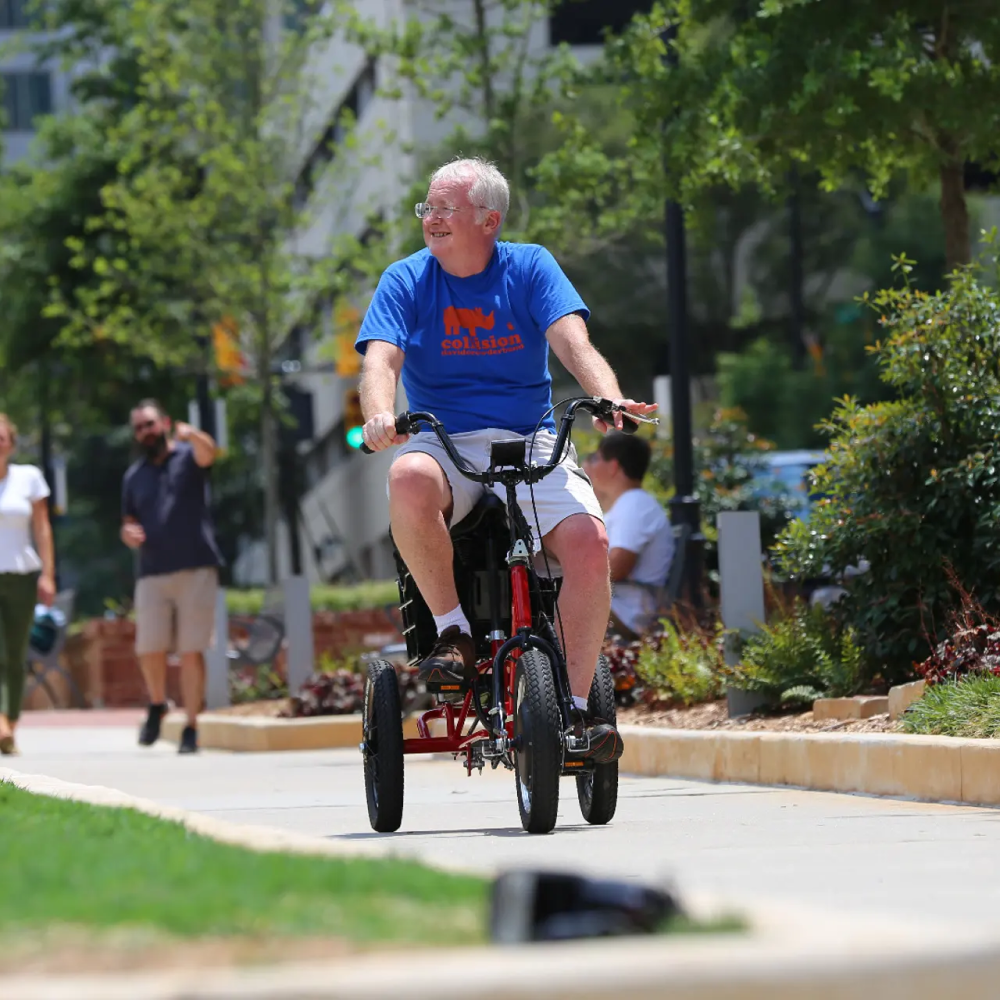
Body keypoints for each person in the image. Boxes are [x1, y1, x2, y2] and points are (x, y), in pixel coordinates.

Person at [356, 156, 656, 764]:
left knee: (590, 544)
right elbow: (380, 360)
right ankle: (454, 633)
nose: (431, 219)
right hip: (444, 437)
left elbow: (573, 340)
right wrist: (379, 415)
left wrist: (605, 394)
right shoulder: (405, 279)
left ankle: (574, 712)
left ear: (489, 220)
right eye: (428, 208)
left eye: (445, 209)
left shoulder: (530, 265)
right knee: (407, 476)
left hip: (530, 435)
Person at [121, 400, 223, 754]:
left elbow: (209, 453)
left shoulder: (188, 457)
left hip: (195, 567)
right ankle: (157, 702)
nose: (145, 432)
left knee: (192, 651)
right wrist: (128, 535)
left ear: (164, 422)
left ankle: (191, 726)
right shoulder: (134, 476)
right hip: (151, 572)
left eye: (149, 424)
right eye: (139, 428)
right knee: (149, 648)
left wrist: (192, 433)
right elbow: (127, 523)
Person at [0, 414, 56, 755]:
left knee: (16, 654)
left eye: (2, 436)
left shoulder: (29, 477)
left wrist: (48, 574)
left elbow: (43, 528)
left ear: (12, 441)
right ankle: (1, 723)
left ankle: (11, 722)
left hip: (22, 575)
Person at [583, 432, 674, 640]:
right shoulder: (629, 504)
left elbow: (619, 565)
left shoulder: (633, 504)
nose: (591, 466)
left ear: (613, 466)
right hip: (619, 606)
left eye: (597, 458)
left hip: (627, 614)